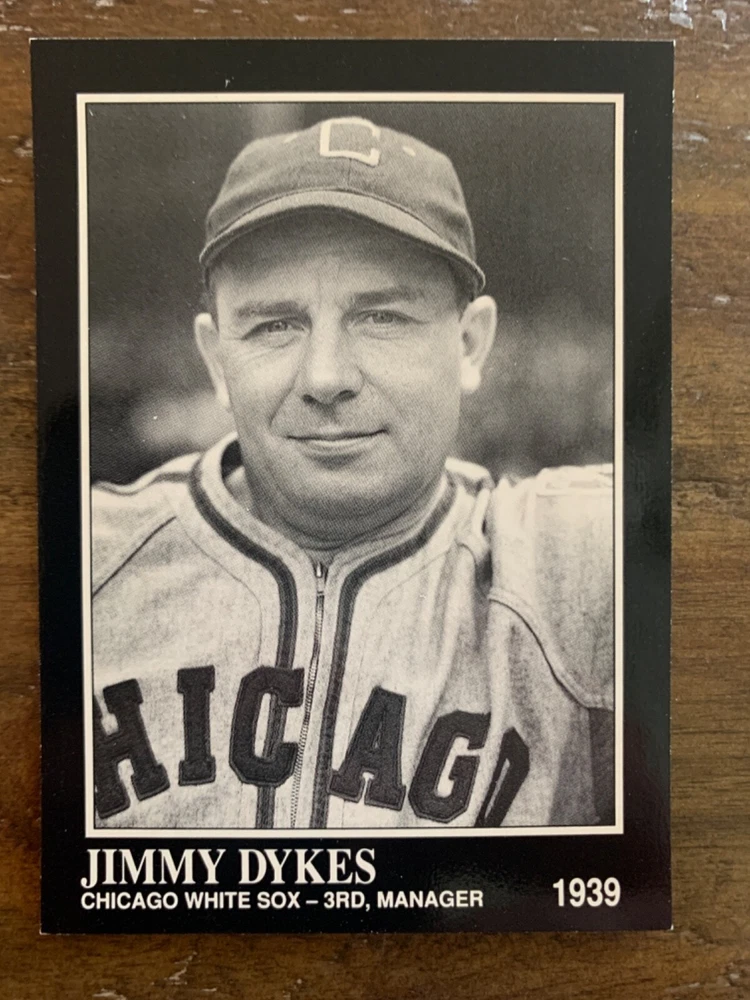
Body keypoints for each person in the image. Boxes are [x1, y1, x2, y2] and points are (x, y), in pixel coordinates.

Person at [92, 116, 613, 831]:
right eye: (275, 325)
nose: (326, 377)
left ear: (469, 344)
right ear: (216, 360)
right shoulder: (84, 565)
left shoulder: (574, 567)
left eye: (382, 317)